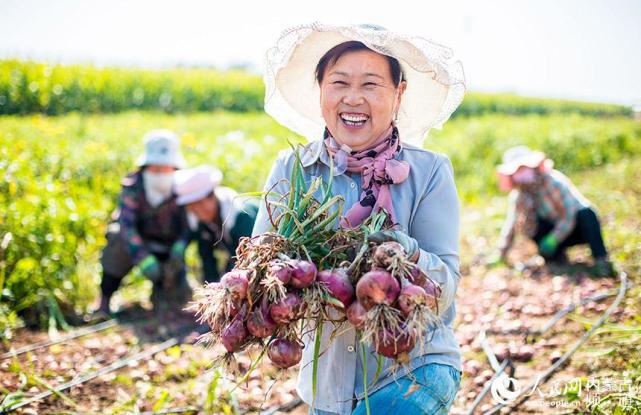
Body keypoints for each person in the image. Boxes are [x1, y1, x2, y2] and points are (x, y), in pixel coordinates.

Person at [254, 23, 466, 414]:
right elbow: (262, 274)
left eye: (371, 85)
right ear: (320, 91)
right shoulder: (293, 168)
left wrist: (401, 253)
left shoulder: (429, 171)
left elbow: (446, 287)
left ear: (398, 94)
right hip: (327, 386)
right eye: (339, 83)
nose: (353, 98)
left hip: (414, 369)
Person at [99, 129, 191, 314]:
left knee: (177, 300)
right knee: (116, 238)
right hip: (137, 244)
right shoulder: (133, 187)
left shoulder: (182, 185)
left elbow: (188, 224)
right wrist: (143, 258)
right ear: (146, 166)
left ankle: (163, 292)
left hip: (168, 247)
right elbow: (127, 226)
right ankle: (104, 301)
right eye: (155, 168)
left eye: (165, 168)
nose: (160, 173)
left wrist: (180, 245)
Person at [495, 145, 614, 276]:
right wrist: (501, 252)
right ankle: (556, 259)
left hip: (575, 229)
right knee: (532, 225)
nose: (522, 174)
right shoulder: (519, 197)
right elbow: (512, 224)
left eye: (524, 168)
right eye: (517, 171)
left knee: (587, 213)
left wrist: (554, 238)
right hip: (554, 237)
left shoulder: (553, 181)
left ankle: (601, 260)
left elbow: (570, 213)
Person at [173, 165, 258, 282]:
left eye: (199, 205)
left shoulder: (242, 216)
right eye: (192, 208)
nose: (197, 212)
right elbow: (207, 259)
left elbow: (251, 259)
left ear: (212, 196)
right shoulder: (202, 224)